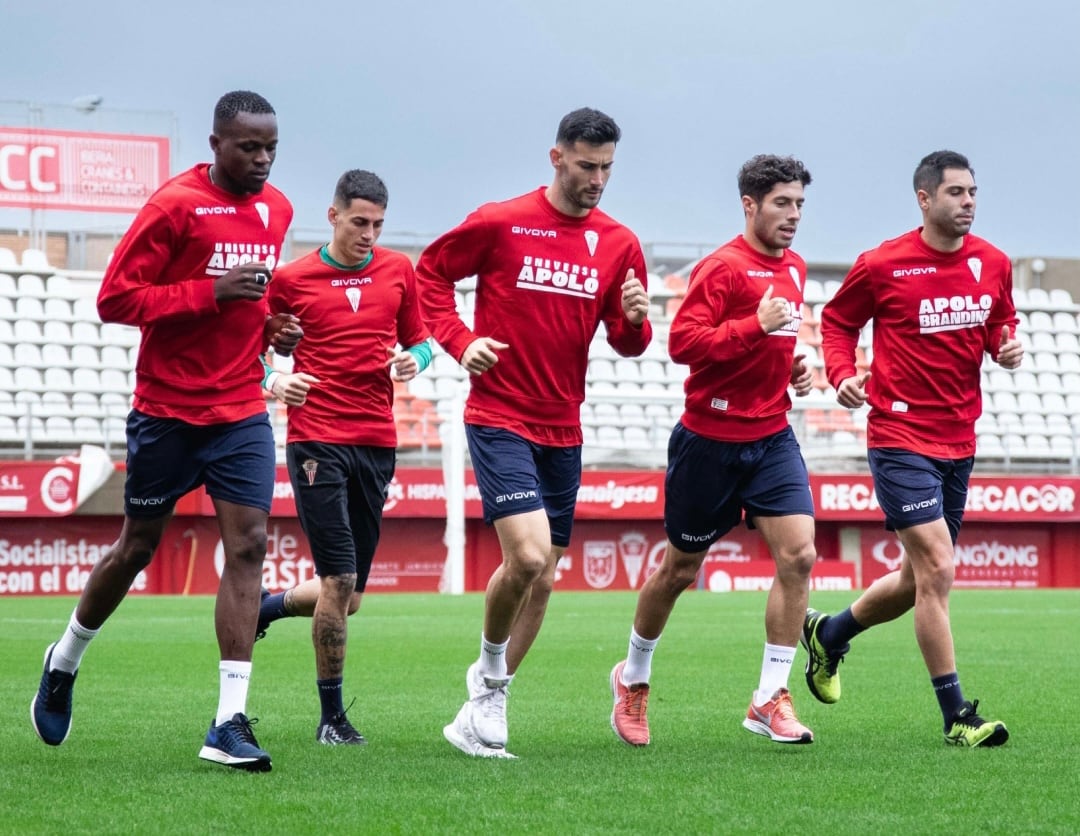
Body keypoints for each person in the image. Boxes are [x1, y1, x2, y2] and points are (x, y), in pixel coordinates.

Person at [30, 90, 298, 772]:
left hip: (239, 410)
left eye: (271, 146)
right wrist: (210, 293)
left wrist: (271, 326)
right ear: (215, 145)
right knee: (137, 547)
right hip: (167, 411)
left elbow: (254, 297)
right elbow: (115, 298)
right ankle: (64, 659)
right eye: (249, 147)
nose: (262, 158)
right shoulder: (175, 206)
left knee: (249, 547)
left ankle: (229, 722)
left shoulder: (277, 209)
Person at [415, 107, 652, 758]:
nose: (597, 178)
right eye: (585, 165)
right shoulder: (501, 220)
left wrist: (635, 320)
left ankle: (487, 700)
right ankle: (488, 682)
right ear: (556, 158)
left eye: (607, 167)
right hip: (500, 416)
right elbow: (428, 276)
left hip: (563, 426)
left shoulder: (619, 242)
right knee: (525, 557)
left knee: (543, 577)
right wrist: (461, 342)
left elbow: (629, 343)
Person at [806, 149, 1022, 747]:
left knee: (913, 579)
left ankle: (829, 634)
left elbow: (1003, 324)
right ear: (925, 199)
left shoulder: (994, 263)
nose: (969, 202)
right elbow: (837, 321)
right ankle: (958, 716)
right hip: (900, 435)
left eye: (973, 192)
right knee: (937, 567)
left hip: (960, 437)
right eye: (956, 192)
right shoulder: (884, 263)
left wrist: (1006, 347)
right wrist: (841, 370)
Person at [610, 155, 818, 748]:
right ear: (750, 205)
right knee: (679, 569)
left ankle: (768, 697)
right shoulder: (722, 267)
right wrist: (755, 325)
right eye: (782, 203)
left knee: (798, 556)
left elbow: (773, 343)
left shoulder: (797, 268)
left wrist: (795, 367)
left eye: (800, 203)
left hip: (772, 436)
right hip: (709, 442)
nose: (793, 215)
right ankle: (633, 678)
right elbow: (683, 345)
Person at [253, 169, 432, 746]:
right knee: (339, 579)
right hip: (317, 439)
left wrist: (416, 363)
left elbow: (423, 341)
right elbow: (245, 350)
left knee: (349, 599)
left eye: (379, 224)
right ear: (332, 217)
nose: (370, 235)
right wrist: (277, 383)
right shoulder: (291, 279)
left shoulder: (399, 271)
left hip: (377, 441)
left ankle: (270, 605)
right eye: (360, 222)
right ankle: (331, 719)